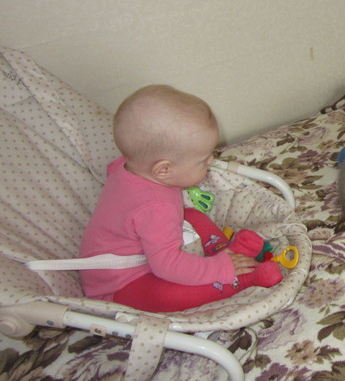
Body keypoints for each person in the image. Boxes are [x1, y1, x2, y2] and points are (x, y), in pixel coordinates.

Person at [80, 85, 282, 312]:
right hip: (121, 285)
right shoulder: (156, 207)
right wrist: (218, 270)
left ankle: (225, 252)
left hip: (144, 250)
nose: (211, 161)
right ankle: (240, 279)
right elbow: (168, 266)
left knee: (191, 215)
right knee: (167, 296)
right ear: (163, 170)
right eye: (203, 160)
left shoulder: (126, 166)